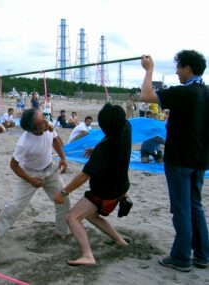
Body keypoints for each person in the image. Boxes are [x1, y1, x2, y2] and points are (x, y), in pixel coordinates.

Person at [140, 51, 209, 272]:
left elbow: (146, 95)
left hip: (180, 159)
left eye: (179, 67)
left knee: (181, 209)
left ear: (188, 68)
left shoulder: (184, 92)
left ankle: (181, 258)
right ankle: (203, 255)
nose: (177, 72)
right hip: (200, 160)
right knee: (195, 206)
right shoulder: (206, 92)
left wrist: (149, 70)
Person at [54, 103, 131, 266]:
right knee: (90, 215)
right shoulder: (126, 128)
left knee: (72, 217)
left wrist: (64, 192)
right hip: (121, 187)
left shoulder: (105, 147)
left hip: (104, 192)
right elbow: (113, 138)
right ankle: (120, 241)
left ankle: (87, 255)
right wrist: (96, 149)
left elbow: (84, 176)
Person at [0, 109, 70, 240]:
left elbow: (55, 140)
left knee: (63, 200)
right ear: (34, 129)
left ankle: (62, 233)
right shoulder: (24, 143)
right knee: (15, 205)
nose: (45, 121)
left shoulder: (47, 126)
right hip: (30, 173)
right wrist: (30, 180)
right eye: (41, 121)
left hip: (50, 169)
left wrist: (63, 158)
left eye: (43, 117)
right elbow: (13, 165)